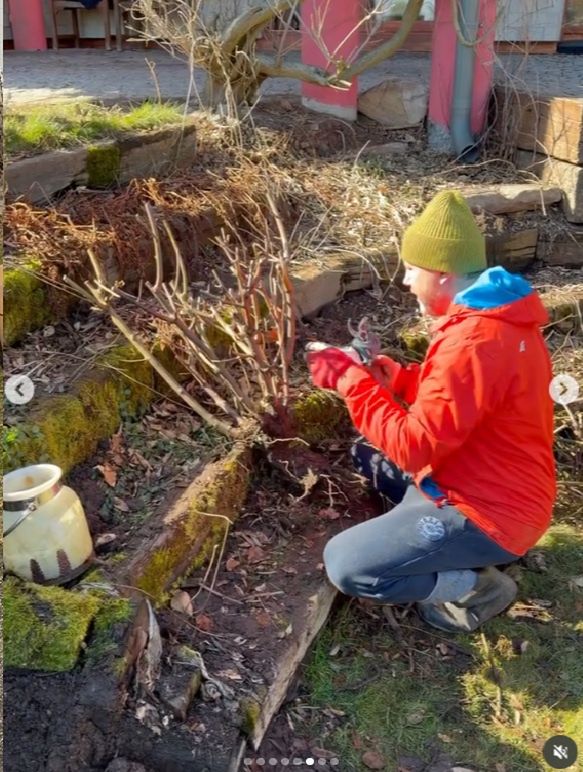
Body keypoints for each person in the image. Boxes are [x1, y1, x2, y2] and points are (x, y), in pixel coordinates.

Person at [306, 190, 556, 633]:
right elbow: (470, 397)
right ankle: (447, 543)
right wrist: (398, 381)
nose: (405, 282)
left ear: (441, 272)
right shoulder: (497, 320)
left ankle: (472, 588)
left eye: (411, 269)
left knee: (348, 565)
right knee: (366, 457)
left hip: (487, 512)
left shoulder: (473, 341)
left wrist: (348, 378)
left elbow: (415, 447)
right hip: (500, 487)